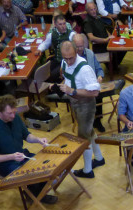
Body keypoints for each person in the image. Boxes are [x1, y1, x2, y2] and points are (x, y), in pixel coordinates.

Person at [0, 95, 58, 204]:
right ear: (0, 112)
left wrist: (39, 140)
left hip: (21, 155)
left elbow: (27, 136)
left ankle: (36, 194)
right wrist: (11, 156)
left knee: (44, 164)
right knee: (32, 173)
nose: (13, 116)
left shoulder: (15, 118)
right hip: (5, 164)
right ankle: (36, 196)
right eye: (9, 113)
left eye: (14, 112)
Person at [54, 41, 105, 179]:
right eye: (65, 58)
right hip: (75, 103)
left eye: (71, 58)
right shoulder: (65, 62)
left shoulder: (85, 69)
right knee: (88, 131)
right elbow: (66, 77)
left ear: (76, 52)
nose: (68, 61)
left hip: (86, 105)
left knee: (83, 138)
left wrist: (72, 90)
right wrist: (61, 86)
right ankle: (99, 158)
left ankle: (88, 171)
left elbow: (95, 93)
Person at [84, 2, 124, 68]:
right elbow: (91, 38)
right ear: (87, 11)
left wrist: (110, 36)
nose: (94, 11)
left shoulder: (98, 17)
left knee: (123, 45)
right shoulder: (87, 22)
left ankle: (114, 65)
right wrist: (105, 40)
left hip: (107, 42)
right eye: (91, 10)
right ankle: (112, 66)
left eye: (94, 9)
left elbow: (104, 29)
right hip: (100, 47)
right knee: (121, 48)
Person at [37, 13, 75, 78]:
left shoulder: (71, 34)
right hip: (57, 60)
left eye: (64, 24)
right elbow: (45, 44)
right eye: (60, 24)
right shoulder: (52, 34)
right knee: (44, 72)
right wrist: (39, 49)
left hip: (68, 62)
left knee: (51, 75)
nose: (63, 26)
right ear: (55, 25)